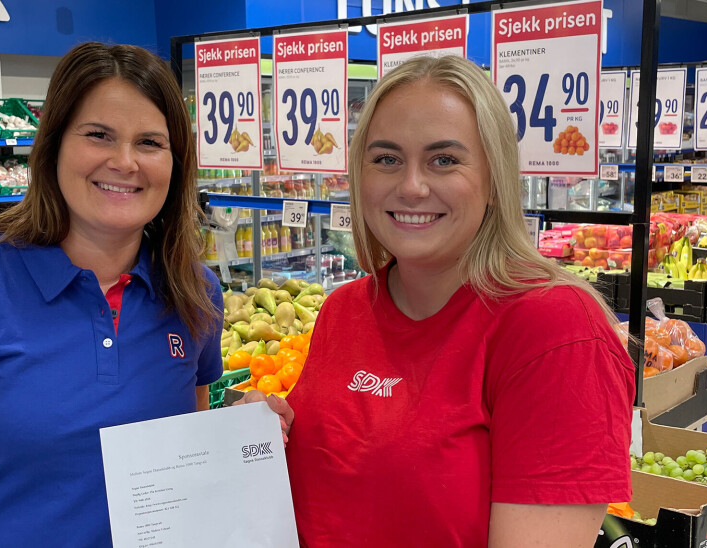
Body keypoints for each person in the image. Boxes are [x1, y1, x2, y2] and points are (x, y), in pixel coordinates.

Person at [243, 55, 635, 547]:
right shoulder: (344, 310)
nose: (411, 186)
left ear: (494, 180)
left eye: (444, 160)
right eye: (387, 159)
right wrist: (261, 438)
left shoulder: (556, 332)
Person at [0, 42, 224, 546]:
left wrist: (256, 436)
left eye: (150, 142)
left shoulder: (194, 294)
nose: (125, 162)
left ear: (176, 163)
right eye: (98, 135)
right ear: (54, 145)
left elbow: (185, 462)